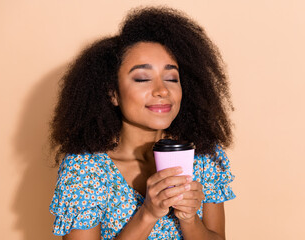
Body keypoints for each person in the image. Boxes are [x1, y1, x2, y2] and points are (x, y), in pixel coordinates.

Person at [49, 6, 235, 240]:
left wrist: (189, 219)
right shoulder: (86, 170)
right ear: (113, 93)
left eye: (171, 78)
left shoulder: (203, 157)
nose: (162, 90)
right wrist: (148, 213)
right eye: (143, 78)